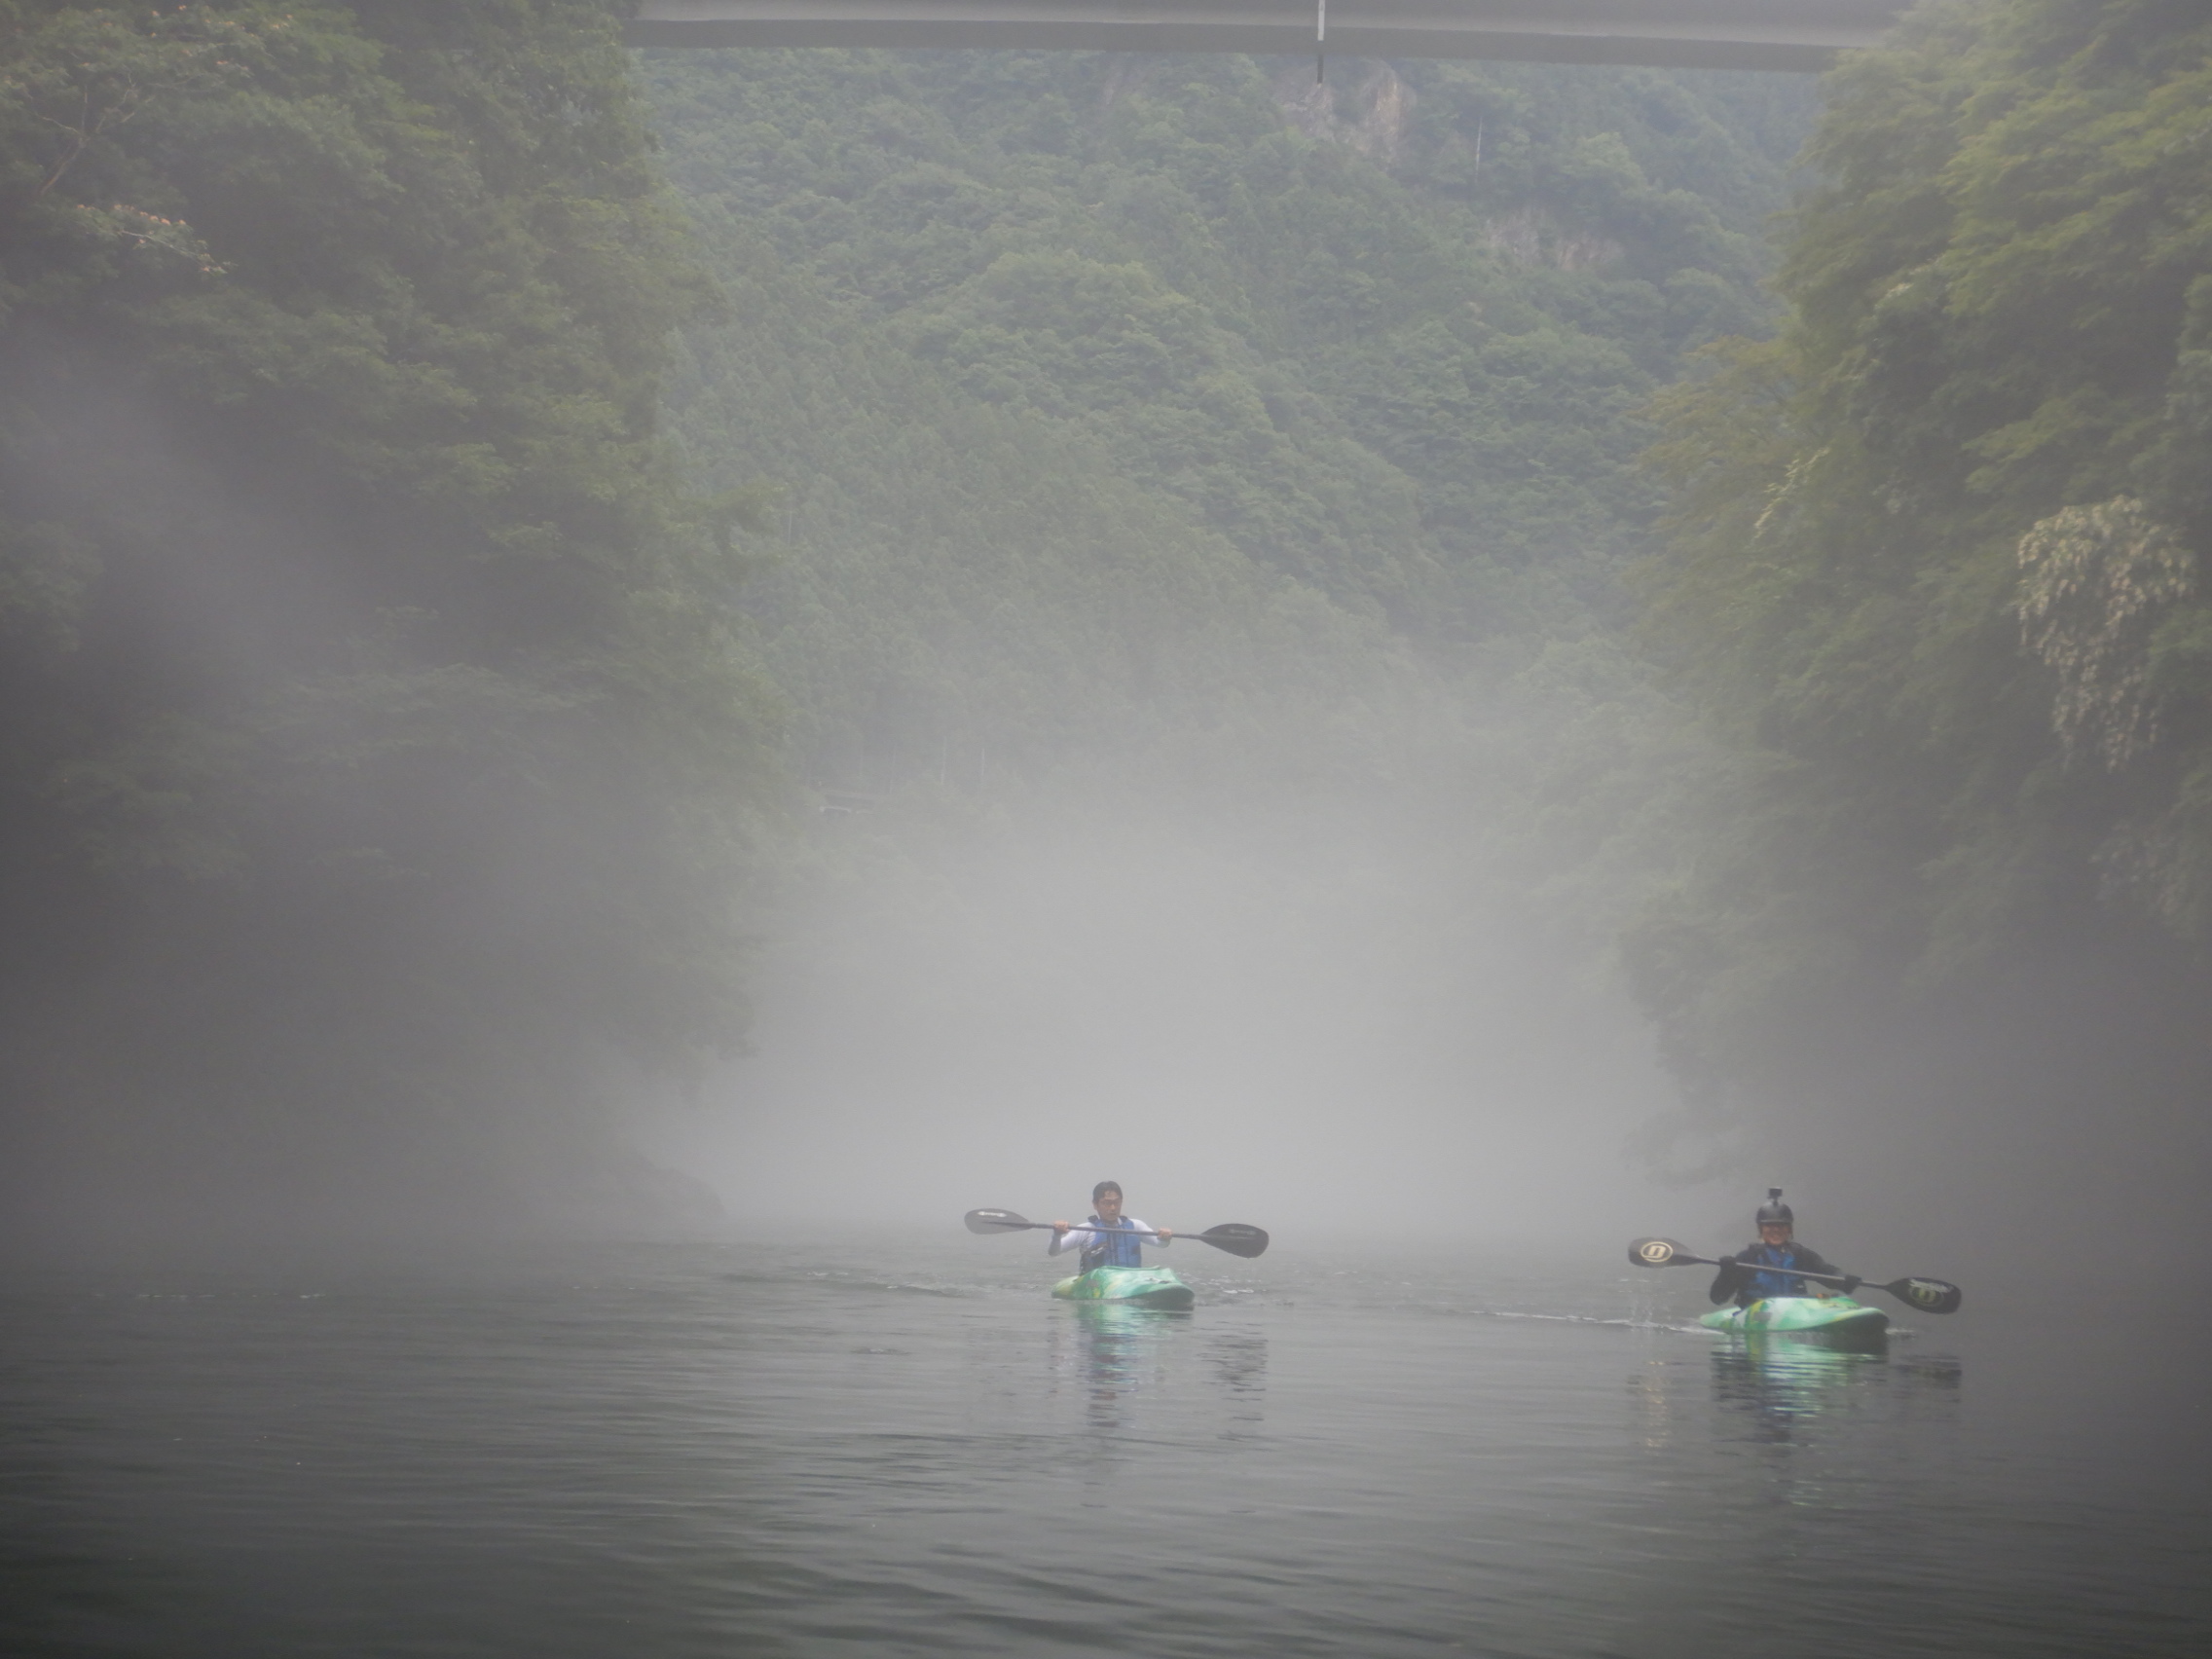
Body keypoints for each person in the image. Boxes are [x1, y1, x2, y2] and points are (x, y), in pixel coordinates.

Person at [1709, 1189, 1859, 1307]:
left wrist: (1843, 1280)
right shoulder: (1748, 1258)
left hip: (1795, 1308)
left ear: (1789, 1229)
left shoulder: (1800, 1255)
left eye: (1781, 1226)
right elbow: (1718, 1298)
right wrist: (1726, 1273)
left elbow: (1825, 1271)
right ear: (1761, 1229)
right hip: (1757, 1312)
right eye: (1770, 1226)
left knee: (1833, 1298)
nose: (1776, 1231)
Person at [1051, 1181, 1171, 1272]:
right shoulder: (1086, 1229)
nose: (1113, 1208)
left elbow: (1161, 1244)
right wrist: (1057, 1235)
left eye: (1116, 1202)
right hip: (1096, 1284)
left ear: (1121, 1202)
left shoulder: (1135, 1226)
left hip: (1130, 1280)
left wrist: (1164, 1237)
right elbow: (1054, 1252)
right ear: (1095, 1204)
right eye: (1107, 1203)